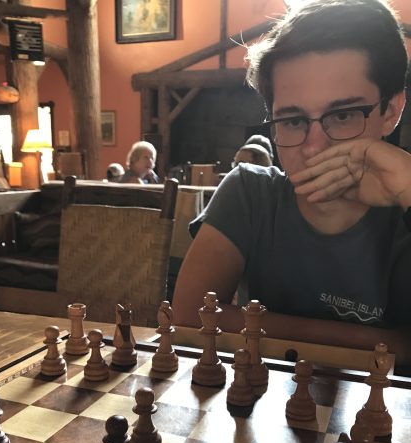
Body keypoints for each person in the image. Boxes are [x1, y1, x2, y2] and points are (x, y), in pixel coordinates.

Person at [173, 0, 411, 367]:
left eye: (344, 114)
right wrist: (388, 342)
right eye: (294, 121)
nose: (315, 146)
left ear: (391, 111)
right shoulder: (250, 193)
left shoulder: (405, 207)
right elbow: (188, 317)